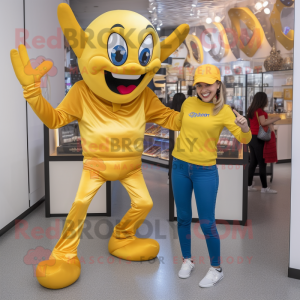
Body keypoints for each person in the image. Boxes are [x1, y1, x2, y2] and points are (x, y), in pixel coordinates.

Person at [171, 64, 252, 288]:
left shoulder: (225, 111)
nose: (203, 89)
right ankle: (187, 260)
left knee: (207, 223)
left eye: (208, 84)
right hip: (179, 167)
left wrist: (244, 126)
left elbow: (245, 140)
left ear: (218, 85)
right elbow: (177, 124)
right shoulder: (188, 103)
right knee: (184, 218)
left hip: (204, 171)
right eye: (199, 85)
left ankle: (216, 269)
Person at [247, 92, 281, 193]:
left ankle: (249, 185)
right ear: (262, 100)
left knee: (253, 162)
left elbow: (258, 122)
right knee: (262, 164)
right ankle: (265, 188)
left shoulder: (251, 110)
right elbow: (263, 123)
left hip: (251, 137)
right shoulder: (259, 111)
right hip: (259, 138)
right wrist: (276, 118)